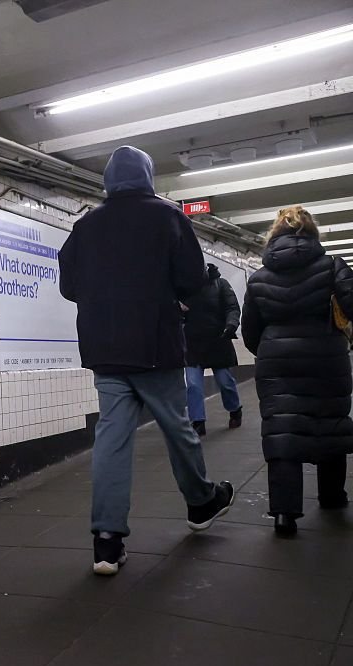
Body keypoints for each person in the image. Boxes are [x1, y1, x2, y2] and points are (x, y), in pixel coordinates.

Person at [59, 145, 234, 576]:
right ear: (148, 176)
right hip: (156, 344)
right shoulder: (168, 215)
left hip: (105, 348)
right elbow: (192, 280)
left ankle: (107, 541)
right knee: (177, 427)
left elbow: (68, 286)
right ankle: (200, 503)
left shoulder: (86, 225)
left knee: (112, 440)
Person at [241, 205, 353, 536]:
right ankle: (332, 496)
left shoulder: (258, 278)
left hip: (277, 361)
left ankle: (284, 513)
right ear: (312, 232)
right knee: (330, 423)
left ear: (274, 235)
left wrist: (270, 352)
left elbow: (250, 332)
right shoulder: (332, 266)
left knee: (282, 430)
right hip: (327, 357)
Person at [182, 263, 243, 436]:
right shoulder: (184, 288)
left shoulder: (221, 284)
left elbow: (232, 307)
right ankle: (198, 421)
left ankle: (235, 409)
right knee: (193, 385)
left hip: (218, 340)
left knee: (225, 382)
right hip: (192, 344)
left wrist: (231, 325)